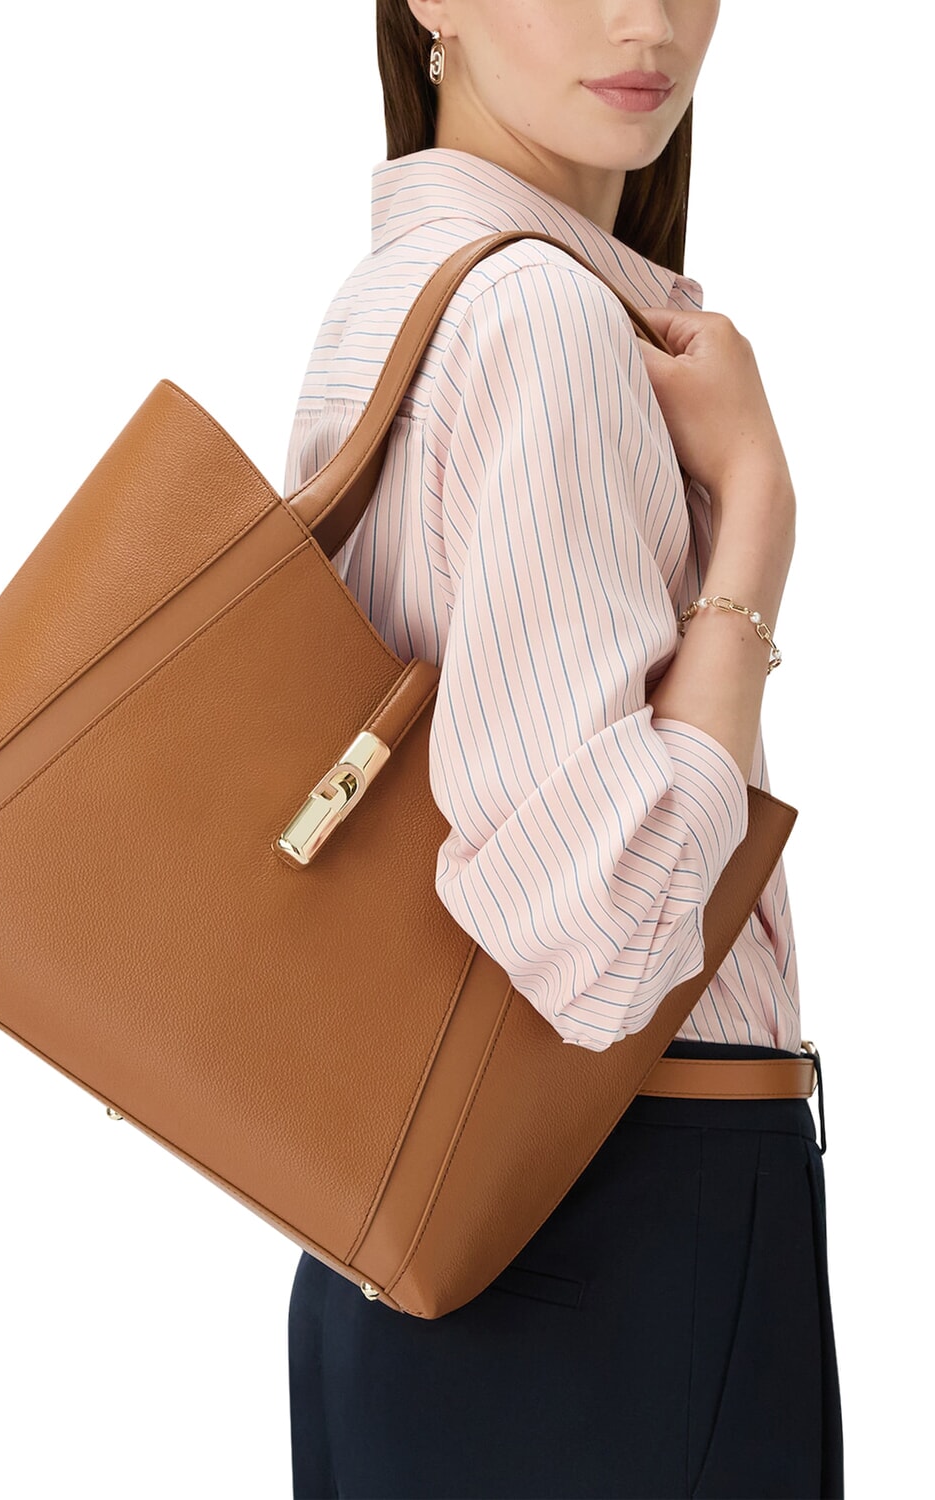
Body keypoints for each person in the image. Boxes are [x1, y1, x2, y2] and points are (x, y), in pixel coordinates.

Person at [283, 2, 843, 1496]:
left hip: (415, 1233)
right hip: (609, 1232)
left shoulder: (399, 291)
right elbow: (610, 940)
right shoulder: (540, 316)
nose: (641, 20)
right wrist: (757, 511)